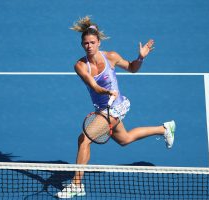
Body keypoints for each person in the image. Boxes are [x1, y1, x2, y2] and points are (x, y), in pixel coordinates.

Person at [56, 16, 175, 199]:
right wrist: (106, 92)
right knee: (125, 139)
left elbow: (132, 68)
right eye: (85, 43)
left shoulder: (111, 56)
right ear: (82, 44)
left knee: (84, 139)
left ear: (98, 42)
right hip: (104, 107)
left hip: (116, 108)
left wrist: (140, 58)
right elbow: (93, 86)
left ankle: (76, 185)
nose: (89, 46)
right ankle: (164, 128)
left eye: (92, 42)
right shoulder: (80, 66)